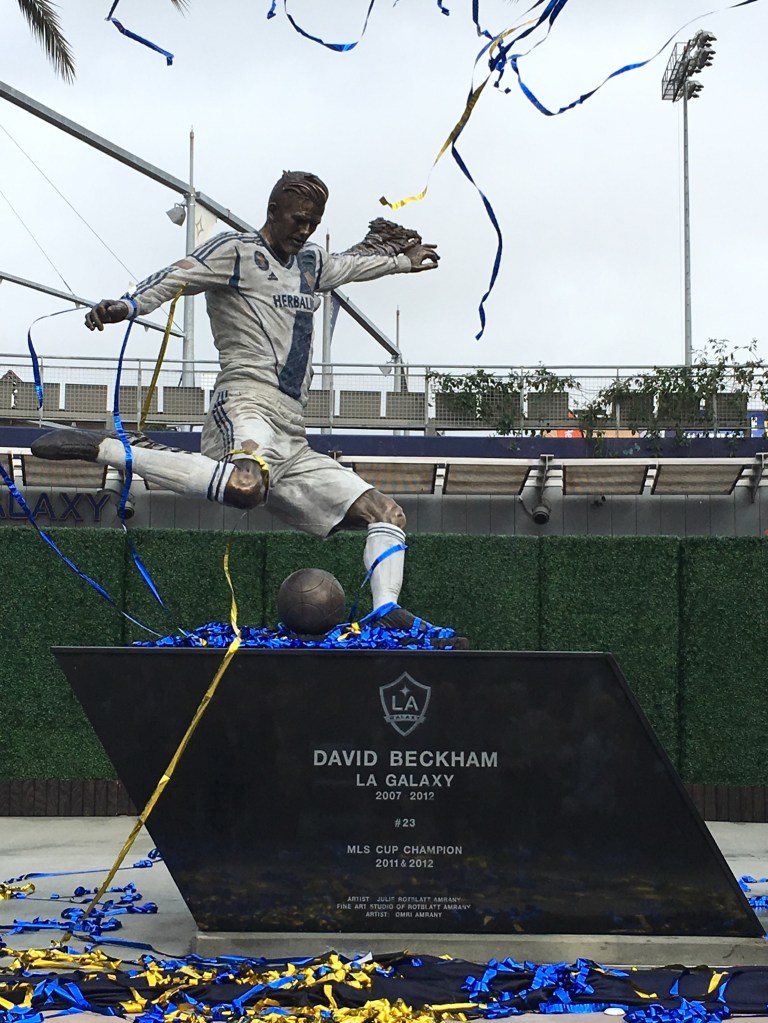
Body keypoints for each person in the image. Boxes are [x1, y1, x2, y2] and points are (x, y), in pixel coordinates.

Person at [32, 170, 467, 647]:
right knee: (244, 485)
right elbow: (177, 275)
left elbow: (353, 264)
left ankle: (385, 610)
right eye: (298, 219)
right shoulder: (235, 252)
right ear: (273, 211)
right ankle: (113, 449)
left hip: (292, 430)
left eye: (314, 222)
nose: (304, 229)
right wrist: (129, 304)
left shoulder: (311, 262)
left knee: (386, 512)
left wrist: (402, 261)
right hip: (244, 402)